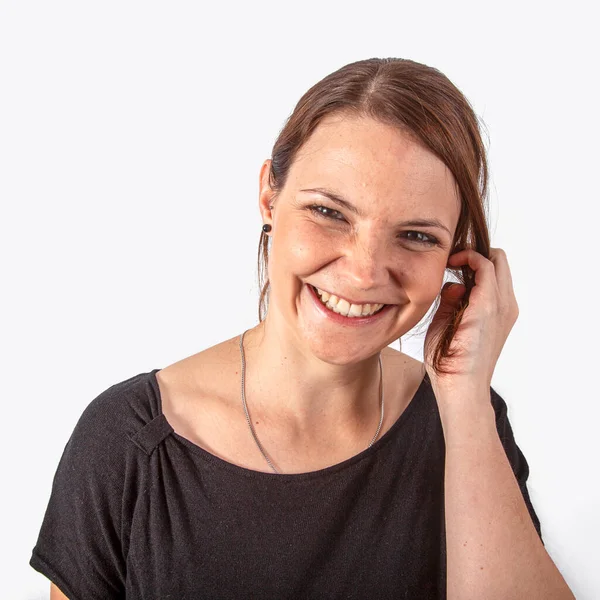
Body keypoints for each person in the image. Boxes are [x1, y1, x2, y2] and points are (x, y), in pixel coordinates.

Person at [30, 57, 574, 600]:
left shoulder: (470, 423)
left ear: (458, 258)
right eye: (330, 212)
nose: (363, 272)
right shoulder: (130, 442)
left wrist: (466, 400)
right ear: (270, 197)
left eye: (416, 235)